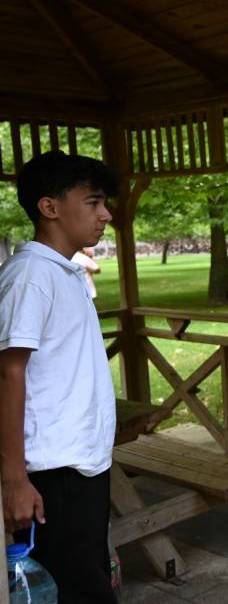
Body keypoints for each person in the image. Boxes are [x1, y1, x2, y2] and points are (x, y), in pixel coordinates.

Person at [0, 150, 119, 603]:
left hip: (83, 466)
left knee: (85, 581)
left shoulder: (63, 271)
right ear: (49, 207)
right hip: (52, 475)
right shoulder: (30, 275)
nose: (105, 214)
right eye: (93, 202)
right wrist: (14, 480)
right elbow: (9, 374)